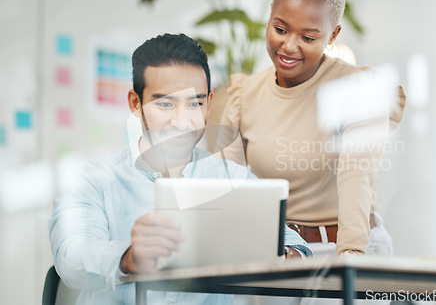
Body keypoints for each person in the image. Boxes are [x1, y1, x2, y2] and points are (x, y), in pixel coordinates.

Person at [49, 33, 311, 305]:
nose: (182, 122)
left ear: (209, 103)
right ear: (135, 103)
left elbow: (293, 246)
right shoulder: (92, 180)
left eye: (195, 103)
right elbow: (72, 256)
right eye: (165, 104)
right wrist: (129, 257)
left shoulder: (232, 177)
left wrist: (282, 255)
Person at [220, 0, 406, 257]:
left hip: (347, 244)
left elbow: (356, 175)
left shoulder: (357, 88)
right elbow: (227, 182)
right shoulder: (244, 94)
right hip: (281, 249)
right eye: (280, 29)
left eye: (308, 38)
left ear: (332, 36)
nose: (289, 46)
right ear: (270, 16)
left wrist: (351, 252)